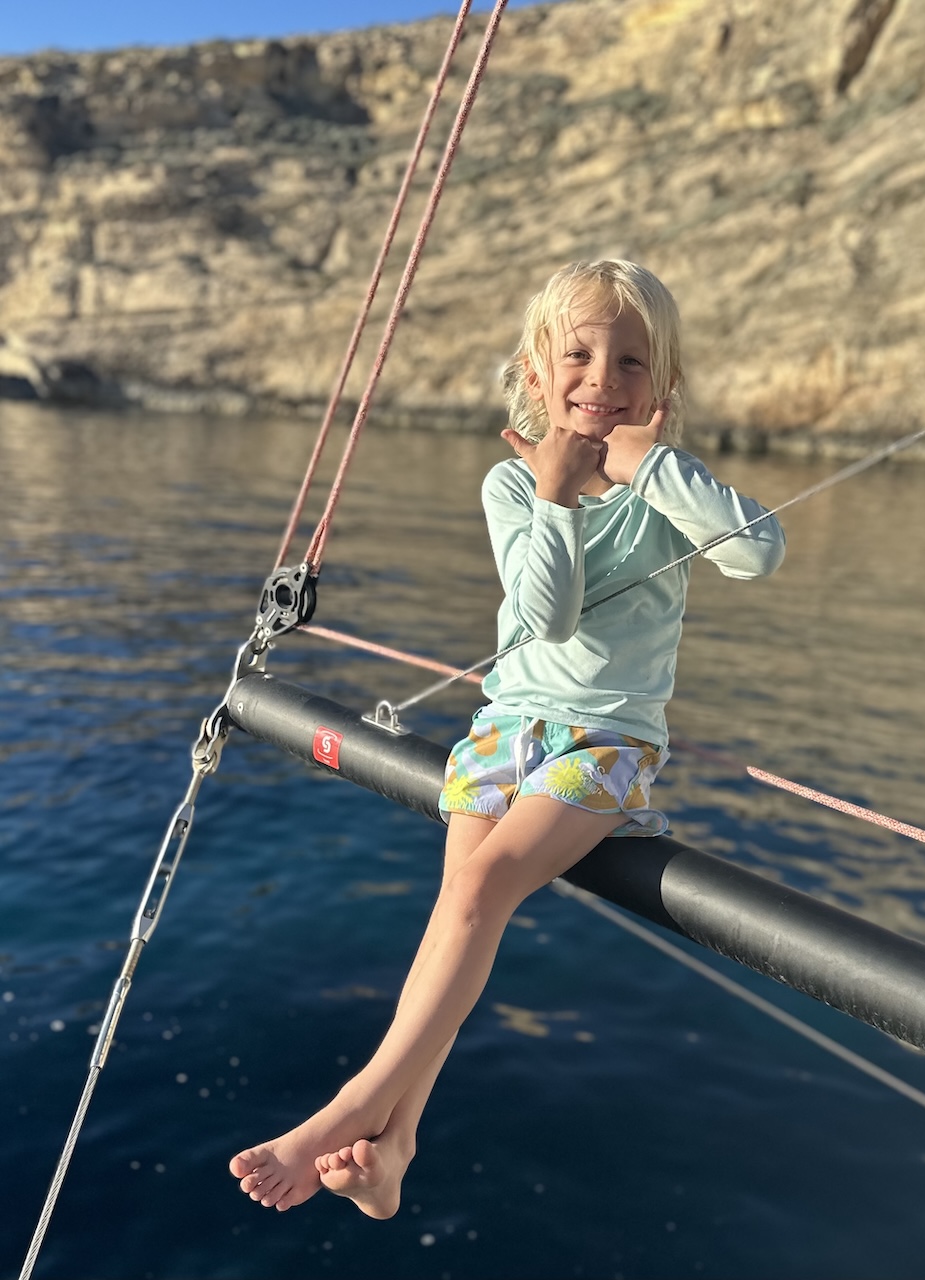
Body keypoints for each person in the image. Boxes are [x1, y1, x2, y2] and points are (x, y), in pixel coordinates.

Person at [229, 259, 786, 1217]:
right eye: (578, 357)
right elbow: (547, 615)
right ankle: (397, 1146)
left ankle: (353, 1105)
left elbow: (759, 552)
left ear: (663, 385)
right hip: (503, 730)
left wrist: (646, 467)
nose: (602, 380)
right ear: (537, 373)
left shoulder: (666, 493)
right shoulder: (510, 486)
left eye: (631, 362)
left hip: (604, 742)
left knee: (479, 893)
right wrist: (556, 495)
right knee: (460, 913)